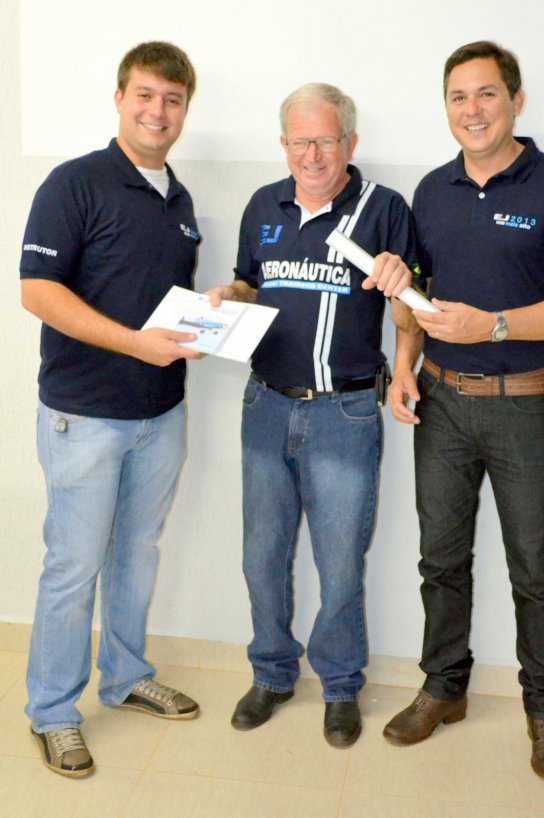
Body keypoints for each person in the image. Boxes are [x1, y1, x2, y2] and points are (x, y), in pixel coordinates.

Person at [383, 41, 544, 782]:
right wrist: (403, 365)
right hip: (440, 402)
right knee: (440, 560)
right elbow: (415, 302)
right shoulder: (431, 191)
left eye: (485, 94)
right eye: (457, 96)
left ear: (515, 100)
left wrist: (493, 325)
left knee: (535, 568)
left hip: (524, 407)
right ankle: (443, 689)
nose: (471, 110)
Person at [206, 82, 418, 747]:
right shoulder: (261, 205)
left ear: (350, 142)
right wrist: (230, 295)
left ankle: (340, 685)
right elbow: (250, 282)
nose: (313, 155)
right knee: (262, 557)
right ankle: (271, 673)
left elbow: (411, 317)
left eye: (326, 140)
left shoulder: (384, 209)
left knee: (341, 564)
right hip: (265, 406)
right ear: (283, 144)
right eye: (300, 141)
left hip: (345, 414)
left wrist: (403, 289)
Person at [20, 41, 203, 778]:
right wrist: (134, 344)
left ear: (185, 110)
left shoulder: (178, 199)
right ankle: (53, 712)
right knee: (73, 568)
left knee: (135, 555)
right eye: (146, 95)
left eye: (172, 100)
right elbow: (38, 291)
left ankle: (125, 677)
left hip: (161, 415)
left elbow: (153, 299)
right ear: (120, 99)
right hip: (85, 416)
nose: (158, 111)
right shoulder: (75, 183)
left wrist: (209, 313)